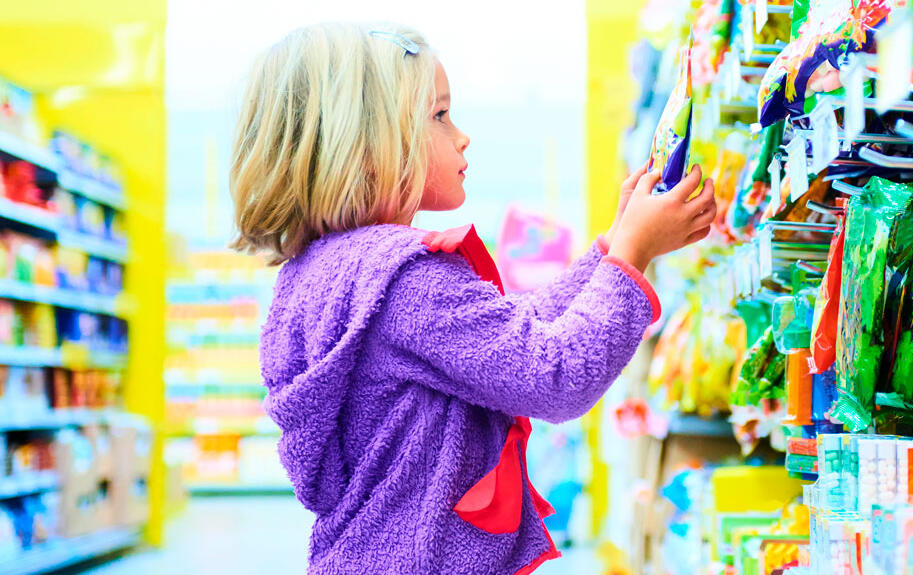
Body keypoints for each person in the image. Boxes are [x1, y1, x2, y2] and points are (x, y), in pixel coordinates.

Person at [229, 23, 716, 575]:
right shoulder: (405, 281)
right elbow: (555, 374)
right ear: (365, 148)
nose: (461, 136)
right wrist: (630, 258)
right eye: (439, 116)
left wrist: (611, 250)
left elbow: (513, 336)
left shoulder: (324, 275)